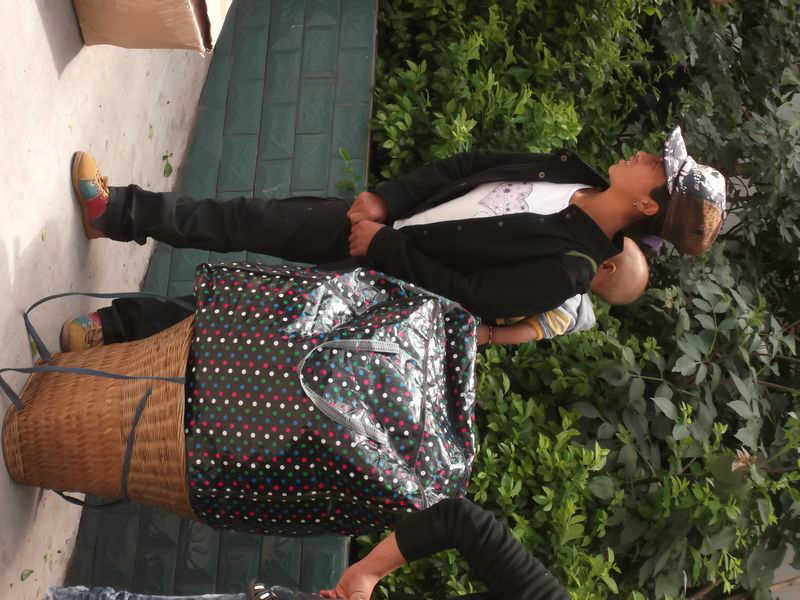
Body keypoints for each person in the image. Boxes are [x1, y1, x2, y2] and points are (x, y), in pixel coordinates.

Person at [69, 126, 725, 332]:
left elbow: (471, 299)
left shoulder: (570, 270)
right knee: (248, 219)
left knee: (246, 314)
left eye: (658, 167)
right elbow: (468, 166)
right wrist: (386, 200)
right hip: (379, 223)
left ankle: (113, 329)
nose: (646, 154)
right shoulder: (569, 171)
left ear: (649, 207)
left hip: (381, 289)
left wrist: (382, 250)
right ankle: (117, 213)